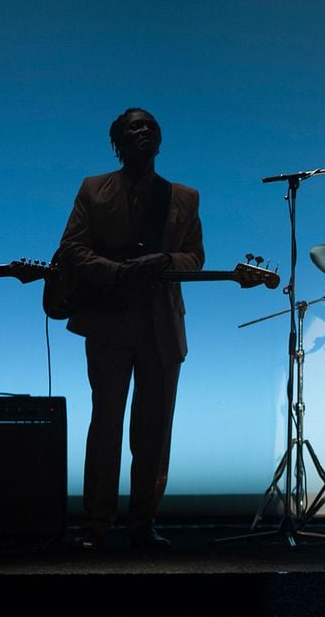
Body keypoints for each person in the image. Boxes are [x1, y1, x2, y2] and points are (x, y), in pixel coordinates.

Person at [53, 108, 204, 551]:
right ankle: (95, 526)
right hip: (109, 322)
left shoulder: (183, 197)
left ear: (160, 140)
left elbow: (194, 258)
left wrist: (163, 260)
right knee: (105, 427)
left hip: (161, 328)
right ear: (117, 143)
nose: (143, 132)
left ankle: (143, 523)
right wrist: (115, 272)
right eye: (133, 128)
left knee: (154, 433)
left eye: (150, 127)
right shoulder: (93, 189)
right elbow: (70, 249)